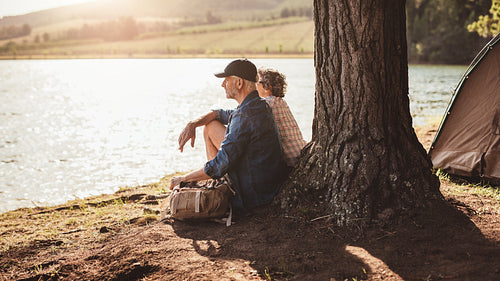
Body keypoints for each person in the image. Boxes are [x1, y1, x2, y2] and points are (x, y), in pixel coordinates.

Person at [170, 59, 288, 213]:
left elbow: (220, 164)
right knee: (210, 125)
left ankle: (219, 186)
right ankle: (218, 182)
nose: (222, 84)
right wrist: (193, 124)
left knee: (215, 158)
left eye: (226, 80)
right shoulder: (258, 106)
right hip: (266, 187)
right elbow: (219, 114)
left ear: (239, 83)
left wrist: (183, 179)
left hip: (253, 196)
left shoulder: (244, 116)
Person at [257, 68, 307, 168]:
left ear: (268, 87)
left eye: (258, 82)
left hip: (290, 159)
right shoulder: (280, 102)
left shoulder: (269, 103)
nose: (255, 85)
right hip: (300, 151)